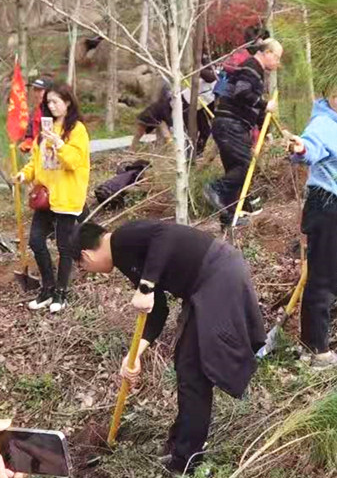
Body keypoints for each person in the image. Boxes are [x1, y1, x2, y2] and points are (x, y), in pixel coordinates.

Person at [71, 220, 265, 475]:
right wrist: (135, 354)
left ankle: (186, 459)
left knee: (193, 372)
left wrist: (146, 286)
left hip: (217, 275)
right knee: (186, 364)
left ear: (85, 255)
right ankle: (182, 442)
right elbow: (157, 309)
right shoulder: (124, 256)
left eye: (83, 267)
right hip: (208, 283)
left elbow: (167, 233)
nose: (89, 270)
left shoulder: (122, 238)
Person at [285, 81, 337, 367]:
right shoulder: (322, 123)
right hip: (326, 205)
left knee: (329, 275)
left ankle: (314, 340)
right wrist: (301, 147)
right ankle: (316, 349)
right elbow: (310, 147)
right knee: (324, 278)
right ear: (326, 95)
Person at [15, 84, 90, 314]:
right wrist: (24, 174)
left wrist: (59, 144)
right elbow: (36, 163)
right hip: (46, 196)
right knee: (36, 241)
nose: (52, 106)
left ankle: (61, 292)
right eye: (48, 102)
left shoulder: (77, 130)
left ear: (68, 102)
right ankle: (47, 287)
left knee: (64, 246)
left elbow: (74, 161)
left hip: (67, 196)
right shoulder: (43, 131)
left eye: (56, 101)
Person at [205, 38, 281, 229]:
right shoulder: (252, 68)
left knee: (235, 170)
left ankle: (228, 217)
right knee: (245, 166)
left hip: (228, 124)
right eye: (277, 58)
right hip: (231, 125)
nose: (278, 64)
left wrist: (268, 128)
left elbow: (252, 107)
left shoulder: (253, 70)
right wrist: (265, 104)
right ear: (268, 53)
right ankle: (215, 188)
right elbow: (242, 93)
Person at [20, 76, 52, 153]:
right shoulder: (35, 110)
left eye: (40, 90)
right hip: (36, 153)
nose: (36, 94)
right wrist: (28, 141)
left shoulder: (55, 111)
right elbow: (30, 131)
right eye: (35, 90)